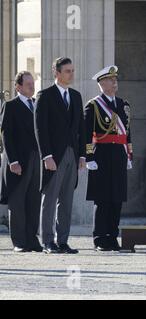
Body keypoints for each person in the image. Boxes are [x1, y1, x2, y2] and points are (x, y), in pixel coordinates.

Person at [34, 57, 86, 254]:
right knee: (50, 199)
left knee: (66, 200)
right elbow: (40, 129)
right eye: (67, 71)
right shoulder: (45, 96)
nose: (71, 74)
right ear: (56, 73)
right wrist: (46, 156)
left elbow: (81, 127)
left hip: (72, 155)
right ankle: (48, 241)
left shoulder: (76, 96)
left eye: (72, 70)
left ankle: (62, 240)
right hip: (53, 156)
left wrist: (82, 155)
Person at [84, 65, 133, 251]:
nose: (115, 82)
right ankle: (100, 238)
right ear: (102, 84)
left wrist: (129, 154)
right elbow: (87, 133)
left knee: (117, 199)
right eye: (111, 80)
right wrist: (89, 156)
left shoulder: (123, 105)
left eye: (115, 79)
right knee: (102, 199)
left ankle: (113, 237)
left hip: (119, 154)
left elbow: (128, 133)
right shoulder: (94, 105)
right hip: (102, 155)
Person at [0, 71, 42, 252]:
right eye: (28, 84)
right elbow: (6, 135)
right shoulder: (10, 106)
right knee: (17, 203)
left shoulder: (37, 105)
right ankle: (19, 242)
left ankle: (32, 240)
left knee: (34, 201)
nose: (32, 87)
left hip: (36, 159)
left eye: (33, 84)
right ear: (18, 87)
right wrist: (13, 161)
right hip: (17, 161)